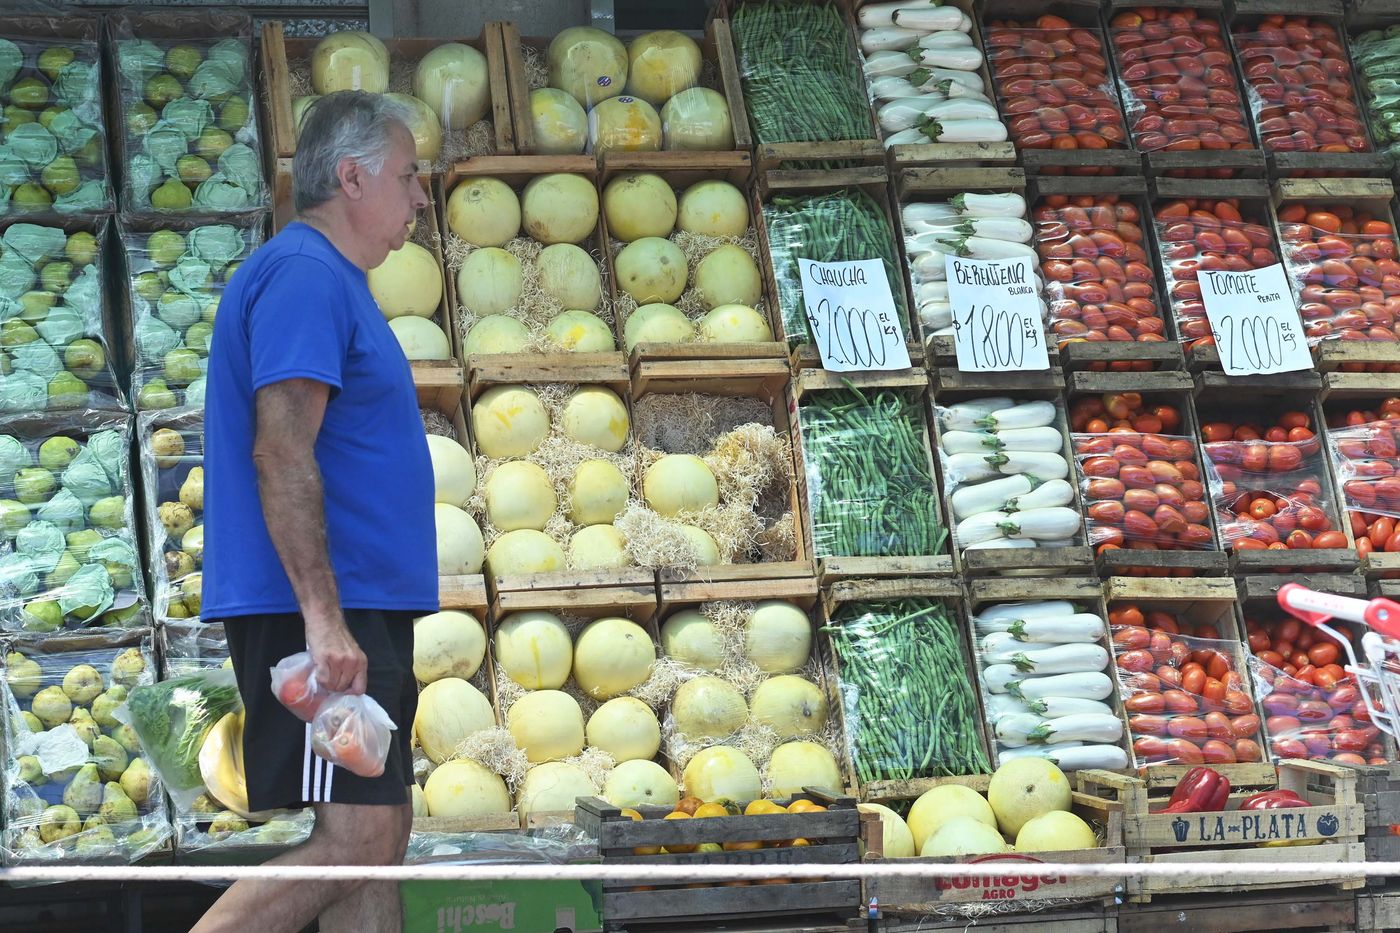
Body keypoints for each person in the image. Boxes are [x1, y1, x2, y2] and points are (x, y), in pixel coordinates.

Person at [192, 90, 436, 933]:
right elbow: (281, 448)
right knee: (364, 835)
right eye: (408, 176)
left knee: (374, 833)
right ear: (351, 175)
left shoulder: (332, 279)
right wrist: (324, 621)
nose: (420, 198)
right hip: (324, 610)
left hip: (351, 603)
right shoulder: (304, 274)